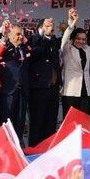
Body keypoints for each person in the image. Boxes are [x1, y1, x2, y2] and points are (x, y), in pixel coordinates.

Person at [28, 17, 62, 146]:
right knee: (37, 121)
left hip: (53, 88)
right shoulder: (35, 40)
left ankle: (48, 149)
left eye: (51, 27)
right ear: (40, 28)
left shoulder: (54, 41)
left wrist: (70, 25)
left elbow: (64, 40)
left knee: (51, 121)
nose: (50, 29)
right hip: (39, 88)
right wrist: (43, 33)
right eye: (47, 27)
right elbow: (34, 45)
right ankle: (34, 150)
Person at [0, 21, 30, 146]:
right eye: (17, 34)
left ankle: (19, 146)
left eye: (21, 34)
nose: (20, 37)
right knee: (6, 120)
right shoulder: (5, 47)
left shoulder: (25, 49)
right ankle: (5, 146)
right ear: (10, 35)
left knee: (20, 120)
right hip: (8, 90)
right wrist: (3, 33)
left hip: (22, 90)